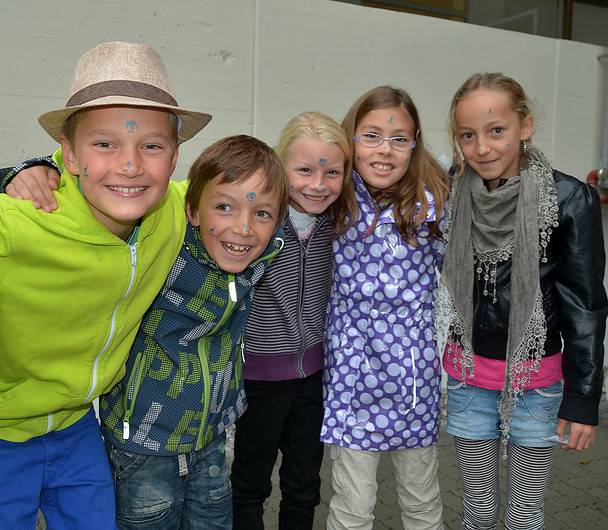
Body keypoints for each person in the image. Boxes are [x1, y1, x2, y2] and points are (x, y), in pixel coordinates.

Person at [0, 41, 211, 529]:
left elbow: (252, 195)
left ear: (176, 157)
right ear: (68, 154)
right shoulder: (16, 222)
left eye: (152, 146)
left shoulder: (176, 211)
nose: (130, 165)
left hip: (77, 426)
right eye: (104, 144)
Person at [436, 72, 607, 530]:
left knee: (524, 513)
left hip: (537, 384)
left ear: (525, 126)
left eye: (497, 130)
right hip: (469, 379)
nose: (482, 147)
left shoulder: (570, 198)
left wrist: (583, 399)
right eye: (467, 135)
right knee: (477, 507)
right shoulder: (450, 193)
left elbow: (585, 304)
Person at [99, 134, 288, 529]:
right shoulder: (160, 244)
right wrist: (36, 171)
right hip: (144, 446)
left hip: (211, 441)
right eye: (224, 207)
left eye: (261, 214)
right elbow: (102, 193)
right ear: (192, 210)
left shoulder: (259, 256)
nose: (243, 228)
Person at [322, 86, 450, 530]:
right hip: (350, 379)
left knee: (421, 499)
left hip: (412, 379)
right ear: (350, 140)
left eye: (399, 139)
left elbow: (464, 273)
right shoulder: (333, 200)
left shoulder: (433, 204)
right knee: (352, 504)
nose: (385, 149)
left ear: (414, 144)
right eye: (372, 136)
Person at [230, 111, 349, 530]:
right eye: (305, 170)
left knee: (303, 484)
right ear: (281, 168)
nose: (319, 184)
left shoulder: (339, 223)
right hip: (260, 379)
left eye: (332, 172)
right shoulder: (258, 222)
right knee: (250, 482)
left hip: (313, 378)